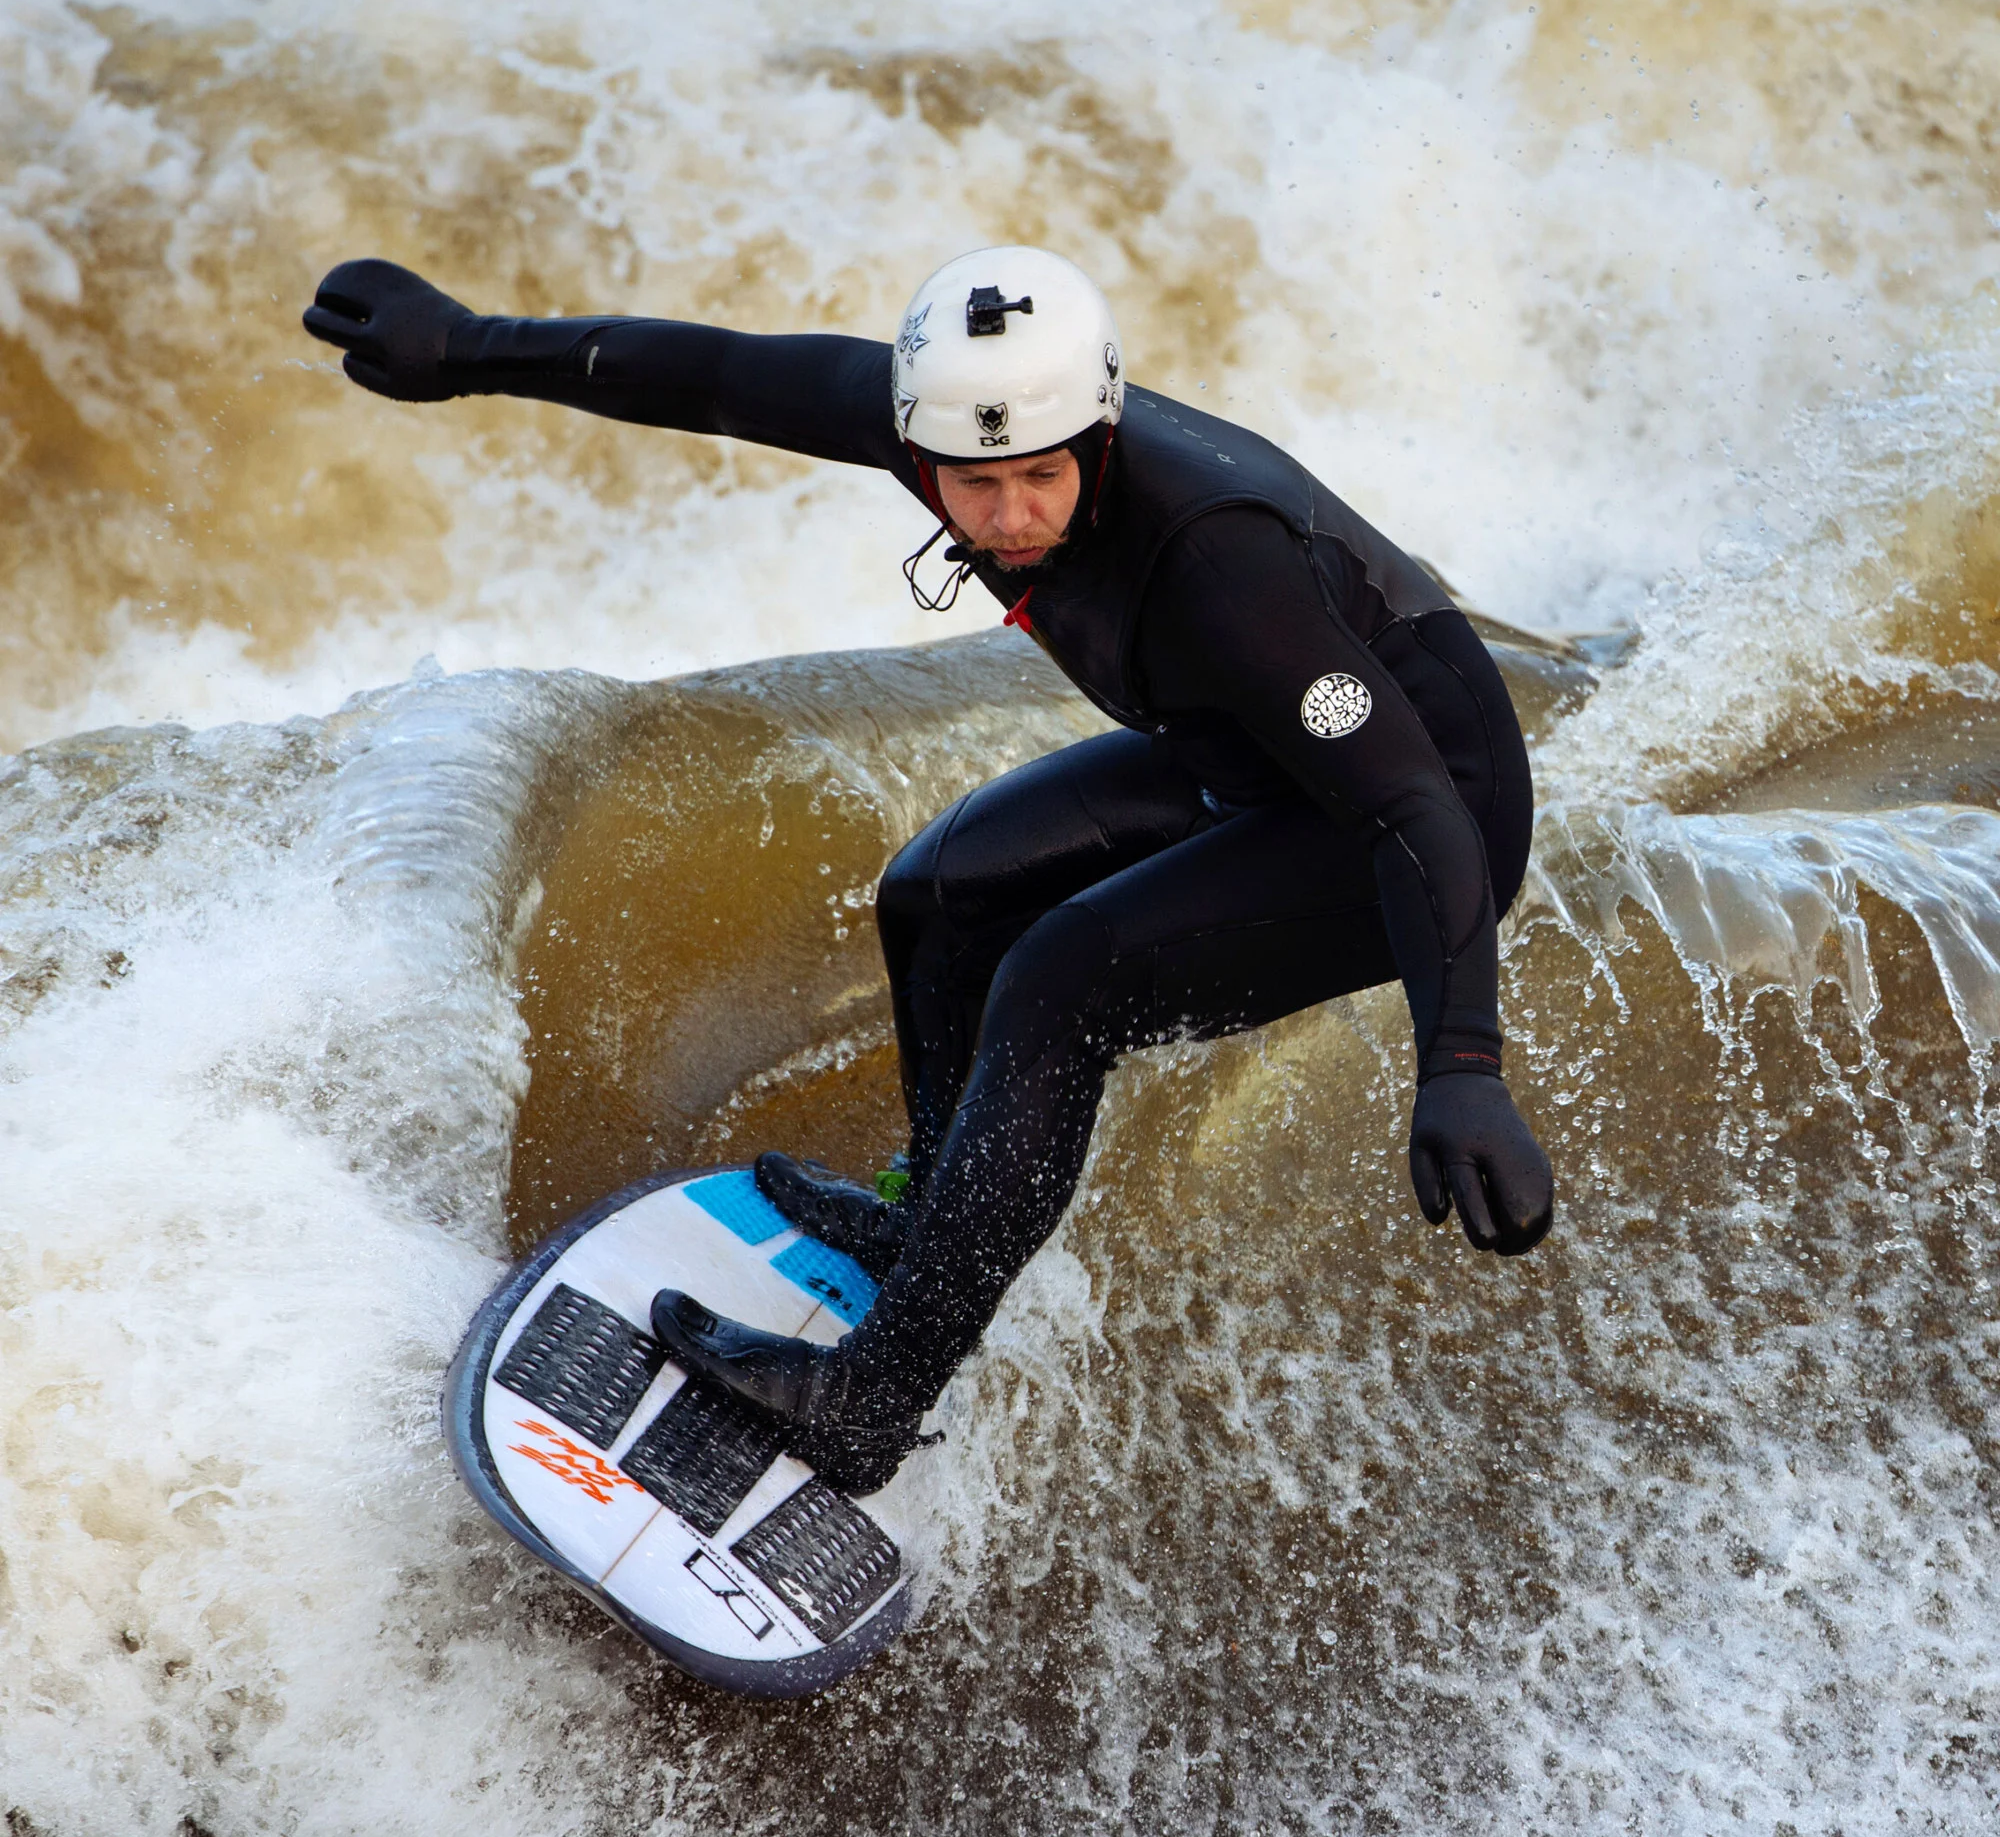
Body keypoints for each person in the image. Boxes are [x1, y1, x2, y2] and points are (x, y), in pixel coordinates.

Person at [303, 245, 1554, 1495]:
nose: (1007, 519)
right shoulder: (941, 423)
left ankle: (872, 1392)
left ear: (1098, 437)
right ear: (921, 444)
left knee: (1060, 979)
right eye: (973, 483)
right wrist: (468, 346)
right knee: (939, 892)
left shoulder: (1223, 562)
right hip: (1244, 755)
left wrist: (1460, 1065)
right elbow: (721, 373)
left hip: (1415, 807)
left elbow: (1410, 806)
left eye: (1041, 481)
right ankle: (928, 1222)